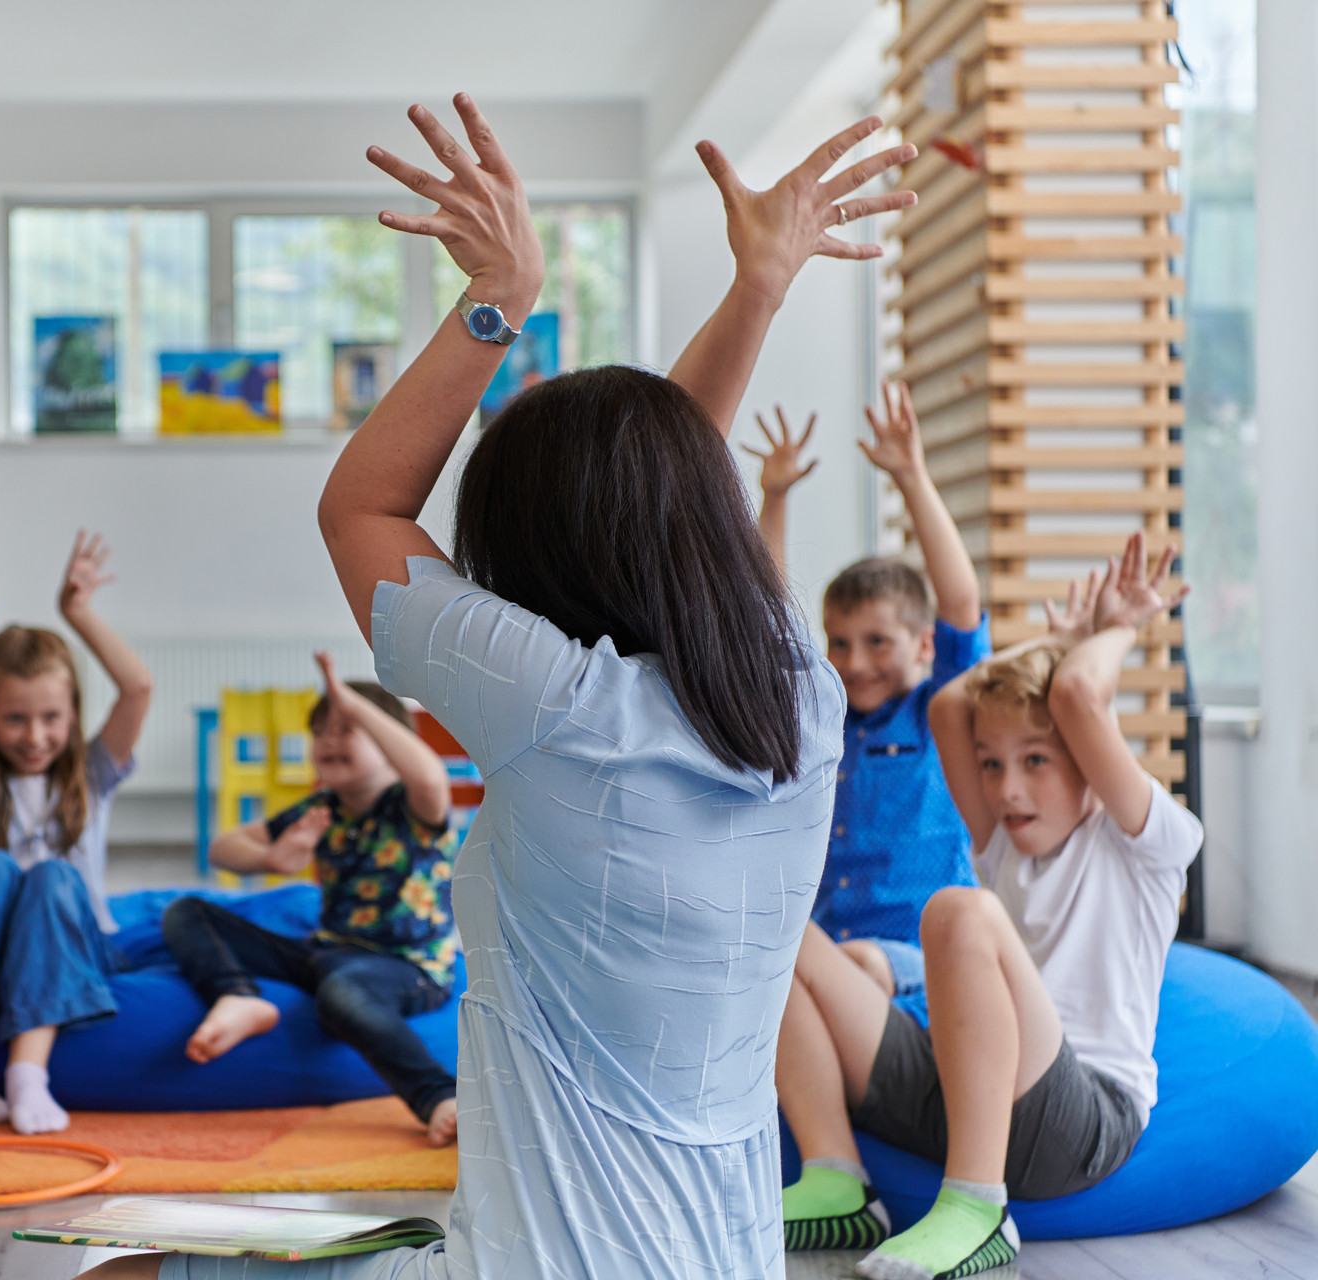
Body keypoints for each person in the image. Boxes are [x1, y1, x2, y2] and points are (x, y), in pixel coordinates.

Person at [83, 94, 913, 1279]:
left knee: (119, 1268)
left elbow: (361, 508)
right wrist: (759, 289)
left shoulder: (563, 711)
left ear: (529, 566)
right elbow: (661, 500)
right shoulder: (799, 699)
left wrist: (500, 299)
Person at [776, 530, 1198, 1279]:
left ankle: (976, 1206)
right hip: (964, 1091)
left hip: (1078, 1116)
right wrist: (1059, 636)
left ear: (1094, 768)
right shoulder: (1004, 840)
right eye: (994, 764)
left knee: (958, 912)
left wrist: (1113, 631)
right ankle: (837, 1178)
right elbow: (948, 705)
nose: (1006, 789)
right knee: (777, 927)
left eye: (1036, 761)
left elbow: (1074, 695)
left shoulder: (1146, 845)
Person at [747, 382, 989, 999]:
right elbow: (765, 620)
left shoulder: (940, 712)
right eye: (840, 642)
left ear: (924, 645)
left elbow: (960, 603)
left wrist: (911, 476)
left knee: (848, 970)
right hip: (827, 954)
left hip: (916, 961)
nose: (855, 662)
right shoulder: (824, 719)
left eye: (878, 642)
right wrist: (773, 498)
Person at [163, 650, 461, 1146]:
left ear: (390, 741)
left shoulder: (413, 804)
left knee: (342, 991)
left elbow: (429, 774)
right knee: (187, 912)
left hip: (405, 965)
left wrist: (351, 700)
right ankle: (237, 996)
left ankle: (436, 1095)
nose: (328, 741)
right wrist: (271, 858)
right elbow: (223, 847)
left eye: (347, 728)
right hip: (327, 952)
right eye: (321, 731)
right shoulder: (322, 808)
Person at [0, 533, 152, 1134]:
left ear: (73, 714)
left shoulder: (91, 774)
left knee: (50, 877)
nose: (35, 735)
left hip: (74, 946)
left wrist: (79, 614)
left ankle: (26, 1075)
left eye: (51, 717)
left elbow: (138, 688)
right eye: (15, 718)